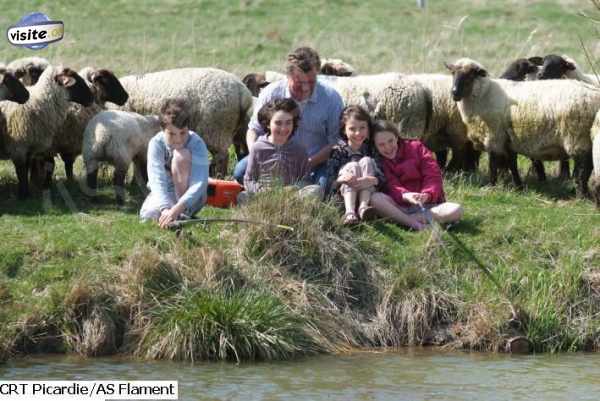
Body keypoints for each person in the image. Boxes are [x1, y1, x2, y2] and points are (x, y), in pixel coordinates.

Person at [233, 46, 344, 189]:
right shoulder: (271, 92)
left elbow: (335, 142)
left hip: (315, 160)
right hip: (272, 155)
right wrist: (257, 153)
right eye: (298, 83)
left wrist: (307, 163)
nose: (305, 89)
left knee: (322, 186)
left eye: (311, 82)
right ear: (288, 76)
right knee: (240, 172)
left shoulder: (331, 98)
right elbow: (254, 129)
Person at [370, 120, 463, 230]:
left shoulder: (416, 147)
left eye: (391, 141)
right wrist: (406, 195)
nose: (388, 147)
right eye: (381, 145)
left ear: (397, 137)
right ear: (375, 146)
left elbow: (433, 174)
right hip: (401, 205)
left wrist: (427, 194)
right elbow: (391, 184)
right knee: (376, 199)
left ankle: (407, 219)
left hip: (429, 205)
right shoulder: (379, 161)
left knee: (457, 210)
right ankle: (414, 223)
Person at [139, 98, 210, 228]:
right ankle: (174, 216)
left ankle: (184, 212)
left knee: (181, 156)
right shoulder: (156, 144)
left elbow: (199, 182)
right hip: (167, 192)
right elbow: (156, 178)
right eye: (172, 133)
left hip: (190, 197)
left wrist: (177, 208)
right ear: (162, 129)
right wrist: (165, 209)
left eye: (183, 133)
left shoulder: (197, 144)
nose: (178, 140)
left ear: (188, 128)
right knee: (147, 216)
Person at [240, 98, 320, 199]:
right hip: (264, 196)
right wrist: (262, 191)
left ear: (294, 123)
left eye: (288, 122)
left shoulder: (299, 149)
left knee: (316, 190)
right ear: (268, 124)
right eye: (278, 123)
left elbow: (306, 180)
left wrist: (292, 189)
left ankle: (290, 210)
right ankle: (264, 210)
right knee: (242, 196)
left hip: (290, 196)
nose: (283, 128)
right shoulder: (258, 148)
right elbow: (249, 180)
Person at [324, 105, 384, 225]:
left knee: (367, 160)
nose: (358, 133)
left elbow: (382, 178)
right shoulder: (338, 151)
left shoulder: (371, 149)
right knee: (353, 166)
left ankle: (363, 208)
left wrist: (373, 180)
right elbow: (330, 183)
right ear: (343, 130)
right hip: (344, 196)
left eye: (362, 128)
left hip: (367, 194)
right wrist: (341, 179)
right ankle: (350, 213)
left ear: (368, 129)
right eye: (352, 129)